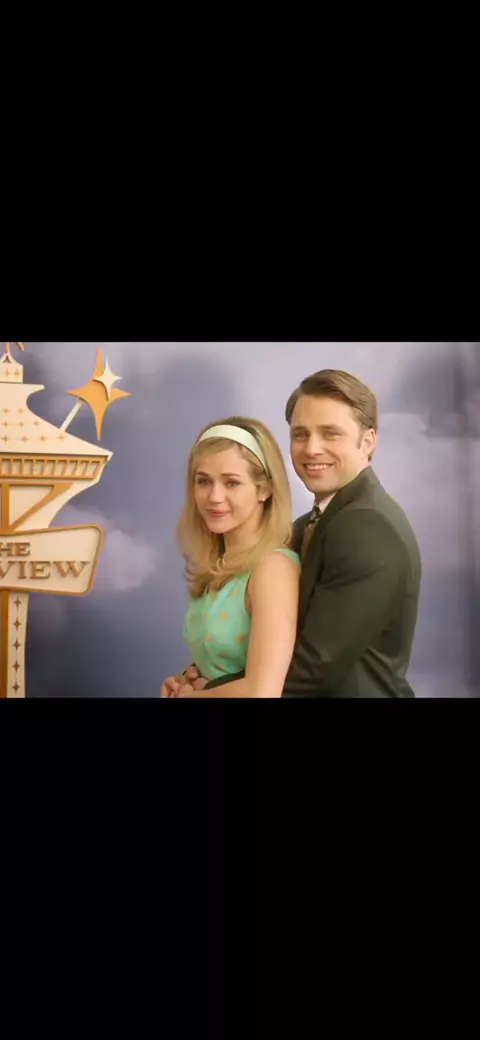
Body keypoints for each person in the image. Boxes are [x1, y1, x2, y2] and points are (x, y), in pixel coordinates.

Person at [184, 369, 422, 698]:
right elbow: (272, 651)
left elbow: (313, 670)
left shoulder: (368, 528)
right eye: (300, 434)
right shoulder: (308, 525)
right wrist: (198, 675)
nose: (312, 448)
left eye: (330, 434)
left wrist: (203, 690)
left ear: (368, 441)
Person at [160, 417, 301, 697]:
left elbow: (262, 692)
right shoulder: (218, 566)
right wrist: (184, 680)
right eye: (204, 481)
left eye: (232, 483)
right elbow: (224, 668)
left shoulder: (273, 569)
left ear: (264, 489)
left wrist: (192, 697)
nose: (214, 496)